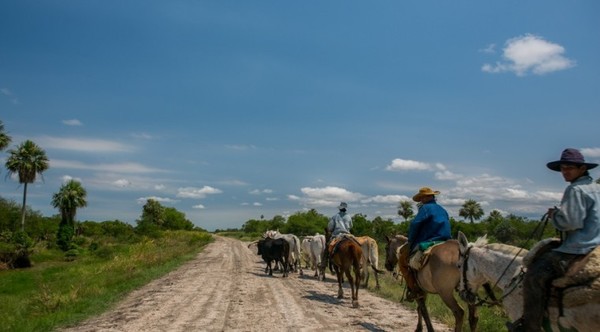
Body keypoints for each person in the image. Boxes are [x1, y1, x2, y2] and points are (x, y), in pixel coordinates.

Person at [513, 148, 600, 331]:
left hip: (577, 248)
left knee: (534, 275)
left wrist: (556, 215)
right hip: (596, 245)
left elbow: (571, 222)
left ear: (582, 168)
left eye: (570, 168)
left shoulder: (575, 189)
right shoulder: (597, 188)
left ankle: (530, 325)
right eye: (563, 168)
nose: (565, 172)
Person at [399, 187, 451, 301]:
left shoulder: (425, 209)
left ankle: (414, 289)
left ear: (429, 197)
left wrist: (411, 240)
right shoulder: (442, 209)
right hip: (446, 240)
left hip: (429, 241)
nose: (421, 200)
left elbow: (415, 224)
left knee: (404, 260)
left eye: (422, 197)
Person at [323, 202, 353, 267]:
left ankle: (326, 261)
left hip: (337, 235)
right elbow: (351, 226)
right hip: (348, 235)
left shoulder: (335, 217)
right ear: (345, 209)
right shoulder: (349, 217)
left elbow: (330, 227)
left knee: (328, 246)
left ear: (339, 209)